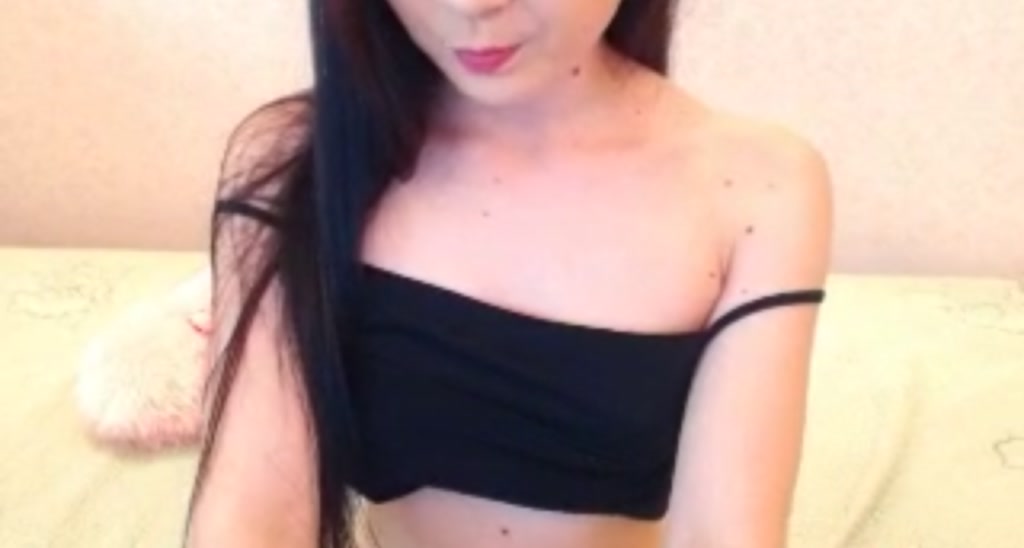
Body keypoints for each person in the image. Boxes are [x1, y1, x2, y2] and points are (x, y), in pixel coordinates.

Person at [183, 0, 833, 547]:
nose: (471, 7)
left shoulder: (758, 185)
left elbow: (721, 534)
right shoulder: (296, 160)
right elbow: (253, 512)